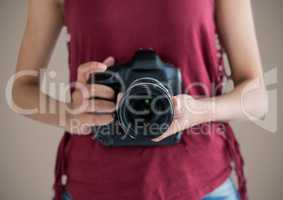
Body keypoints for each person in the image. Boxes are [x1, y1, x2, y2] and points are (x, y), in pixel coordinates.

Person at [12, 0, 267, 199]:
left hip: (201, 184)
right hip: (95, 186)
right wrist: (69, 114)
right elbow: (19, 89)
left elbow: (257, 97)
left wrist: (198, 111)